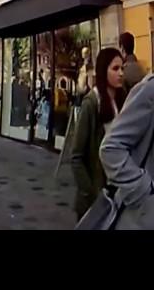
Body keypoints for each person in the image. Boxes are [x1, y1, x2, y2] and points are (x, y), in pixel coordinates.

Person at [71, 48, 126, 221]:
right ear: (104, 71)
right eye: (115, 69)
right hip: (96, 198)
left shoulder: (122, 99)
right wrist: (91, 192)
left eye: (122, 68)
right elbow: (76, 156)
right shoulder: (91, 103)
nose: (121, 73)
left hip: (118, 192)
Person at [100, 73, 154, 229]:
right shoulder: (149, 91)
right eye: (115, 68)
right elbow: (110, 148)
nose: (121, 73)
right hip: (141, 217)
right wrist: (144, 191)